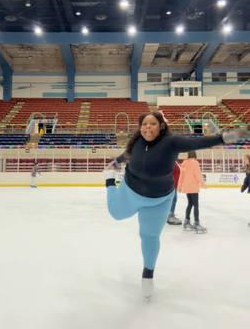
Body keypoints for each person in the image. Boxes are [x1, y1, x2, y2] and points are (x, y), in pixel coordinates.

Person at [104, 111, 248, 301]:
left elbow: (197, 143)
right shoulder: (136, 142)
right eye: (144, 124)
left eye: (152, 124)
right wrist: (116, 162)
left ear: (161, 126)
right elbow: (126, 155)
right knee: (116, 213)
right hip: (130, 191)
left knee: (149, 236)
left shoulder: (171, 143)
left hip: (158, 200)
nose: (148, 127)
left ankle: (148, 273)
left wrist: (223, 138)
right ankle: (109, 182)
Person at [178, 151, 206, 233]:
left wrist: (179, 187)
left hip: (186, 187)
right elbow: (198, 174)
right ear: (195, 155)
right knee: (196, 205)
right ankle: (197, 223)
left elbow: (181, 176)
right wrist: (203, 184)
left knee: (190, 204)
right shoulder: (195, 163)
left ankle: (186, 222)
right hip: (193, 187)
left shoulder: (184, 163)